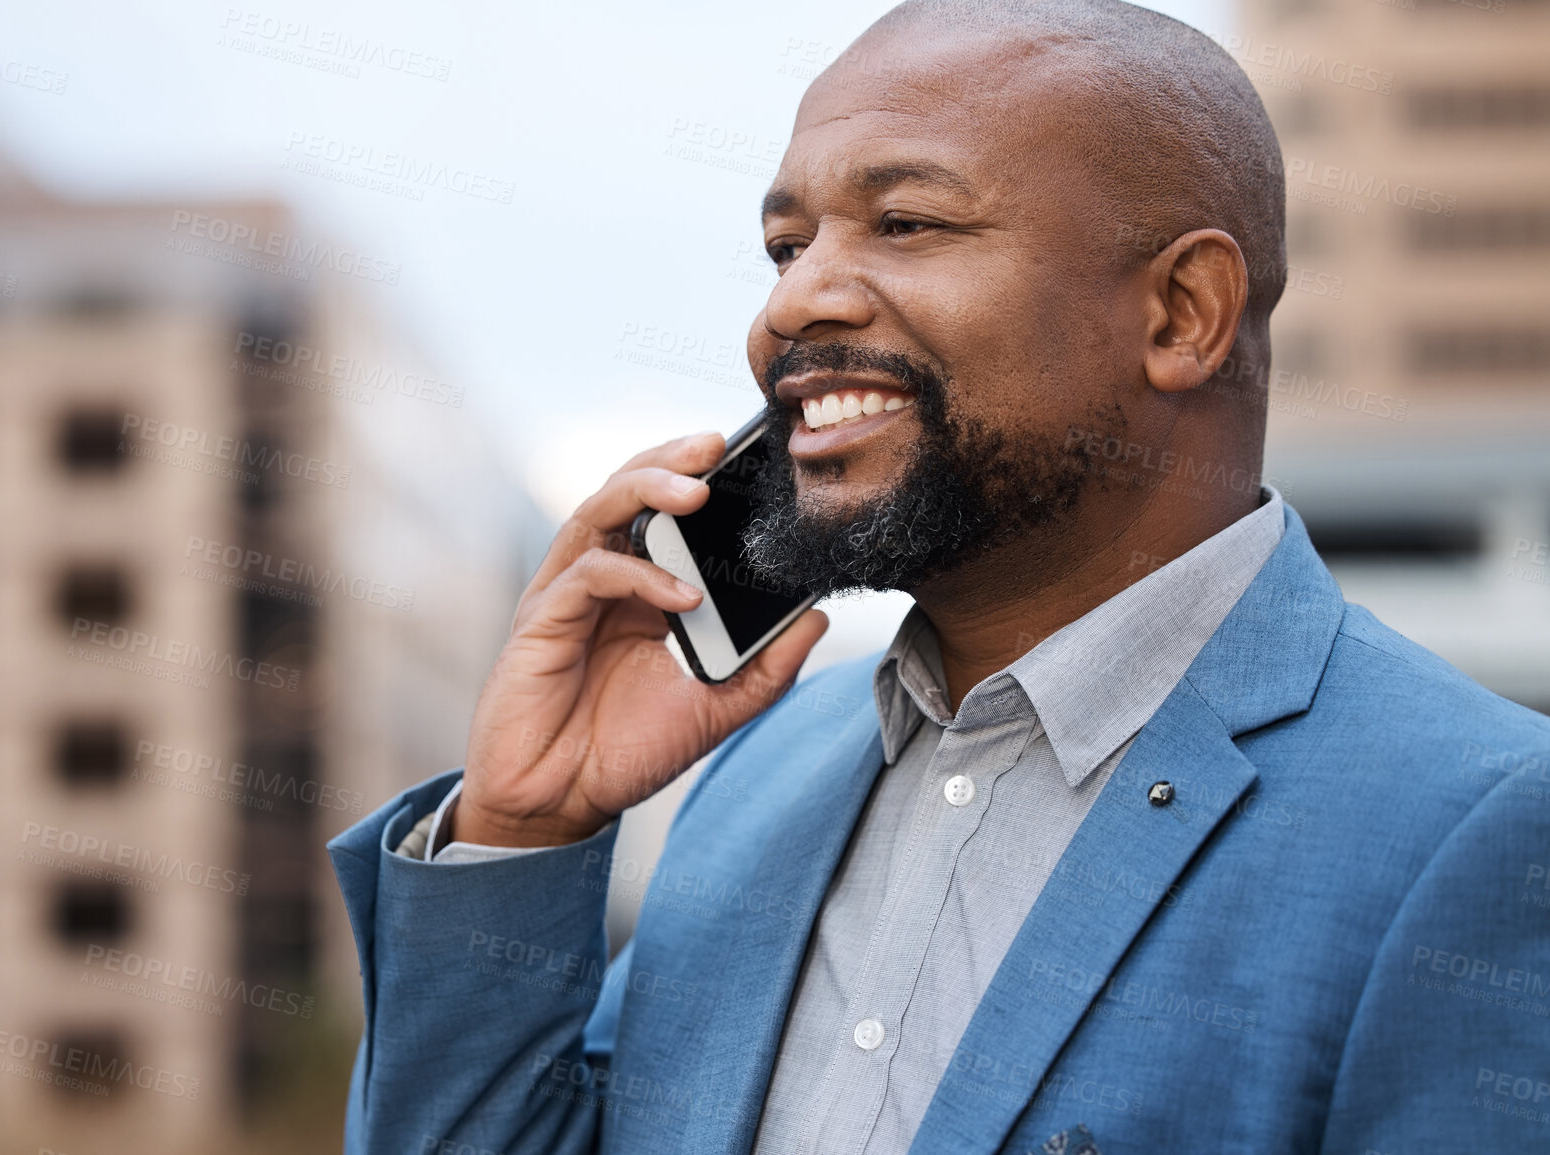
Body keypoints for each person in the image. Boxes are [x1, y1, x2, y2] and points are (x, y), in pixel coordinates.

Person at [328, 1, 1550, 1151]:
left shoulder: (1482, 827)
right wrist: (524, 832)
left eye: (905, 223)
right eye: (785, 243)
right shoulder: (757, 778)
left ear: (1183, 314)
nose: (794, 300)